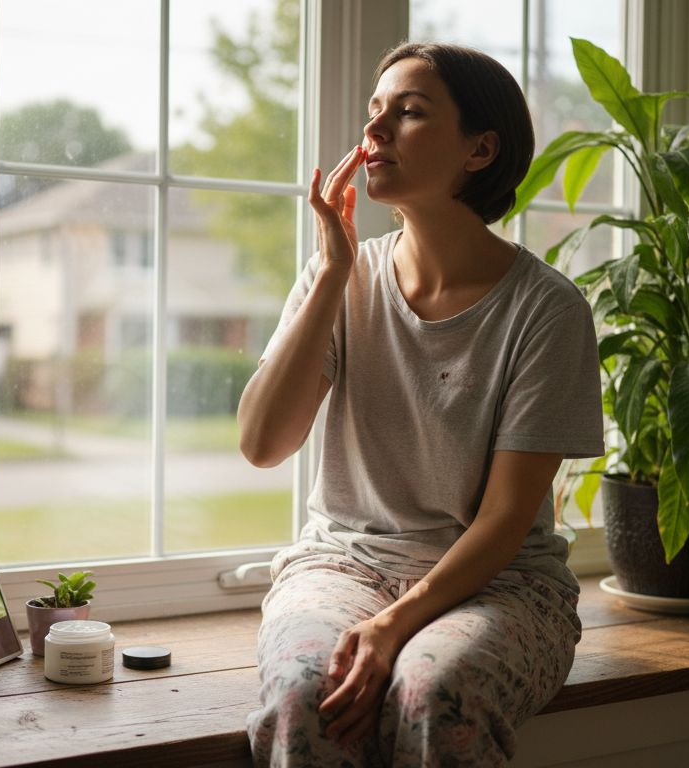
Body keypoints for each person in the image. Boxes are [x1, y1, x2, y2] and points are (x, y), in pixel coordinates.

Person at [238, 41, 605, 766]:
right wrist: (332, 275)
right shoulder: (339, 278)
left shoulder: (547, 310)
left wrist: (392, 627)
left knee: (435, 689)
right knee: (304, 693)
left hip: (504, 585)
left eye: (407, 113)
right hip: (342, 567)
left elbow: (504, 523)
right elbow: (261, 444)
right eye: (374, 113)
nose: (374, 133)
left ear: (480, 150)